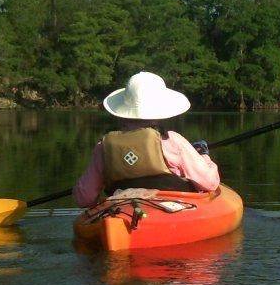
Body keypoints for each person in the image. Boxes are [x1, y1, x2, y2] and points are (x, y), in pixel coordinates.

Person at [73, 71, 220, 208]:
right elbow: (210, 183)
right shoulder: (174, 142)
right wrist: (204, 156)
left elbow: (84, 198)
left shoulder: (103, 147)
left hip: (124, 211)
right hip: (171, 212)